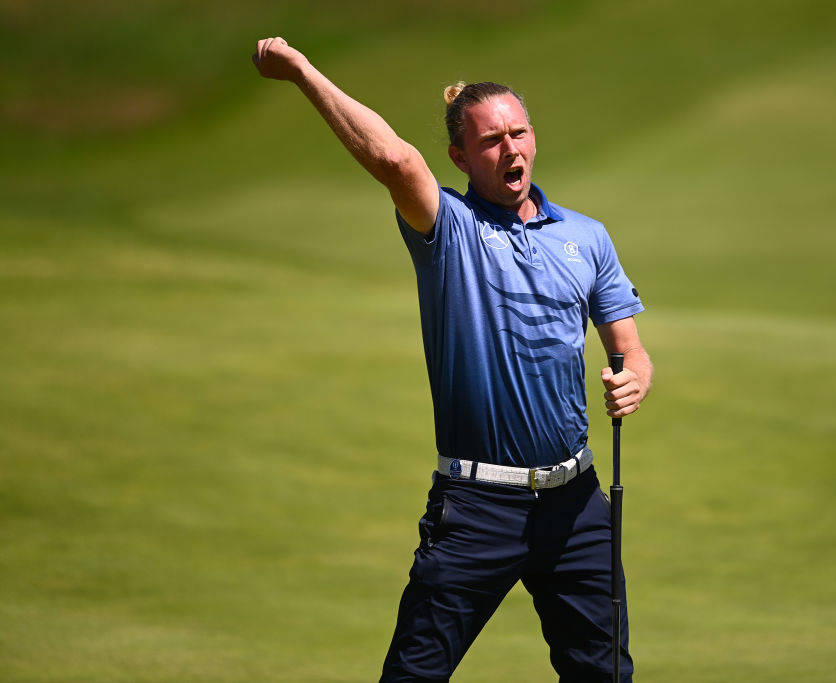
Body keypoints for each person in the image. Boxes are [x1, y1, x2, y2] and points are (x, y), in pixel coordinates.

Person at [252, 36, 653, 682]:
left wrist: (634, 377)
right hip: (477, 505)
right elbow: (389, 156)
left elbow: (630, 349)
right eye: (491, 141)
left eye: (518, 133)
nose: (511, 148)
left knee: (605, 675)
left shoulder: (587, 237)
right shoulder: (449, 230)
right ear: (460, 156)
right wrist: (300, 71)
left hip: (576, 505)